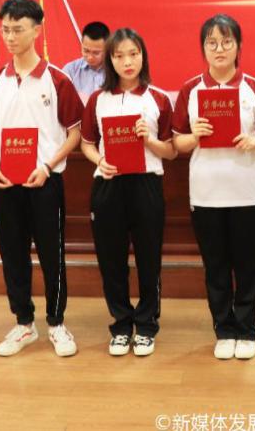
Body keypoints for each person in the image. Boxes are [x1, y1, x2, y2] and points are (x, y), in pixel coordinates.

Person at [172, 14, 255, 361]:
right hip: (205, 192)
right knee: (215, 265)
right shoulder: (190, 90)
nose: (220, 49)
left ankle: (246, 330)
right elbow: (177, 143)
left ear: (238, 46)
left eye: (227, 42)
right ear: (203, 48)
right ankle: (224, 329)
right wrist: (194, 136)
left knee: (247, 265)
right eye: (212, 43)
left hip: (247, 190)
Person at [0, 0, 83, 358]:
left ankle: (56, 323)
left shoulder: (57, 80)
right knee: (12, 253)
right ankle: (23, 323)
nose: (10, 37)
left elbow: (74, 133)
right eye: (5, 30)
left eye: (18, 29)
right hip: (6, 182)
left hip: (45, 181)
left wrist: (47, 165)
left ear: (37, 30)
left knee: (51, 254)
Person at [81, 28, 176, 357]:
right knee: (111, 260)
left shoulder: (158, 99)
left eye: (133, 54)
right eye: (119, 55)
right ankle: (121, 324)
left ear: (143, 56)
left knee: (149, 258)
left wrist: (149, 140)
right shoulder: (97, 99)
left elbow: (171, 151)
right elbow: (87, 143)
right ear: (110, 60)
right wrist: (100, 160)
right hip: (109, 184)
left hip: (146, 184)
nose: (127, 62)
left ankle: (146, 325)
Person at [62, 21, 109, 99]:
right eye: (86, 51)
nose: (90, 57)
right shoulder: (71, 70)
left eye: (96, 53)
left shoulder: (116, 70)